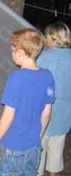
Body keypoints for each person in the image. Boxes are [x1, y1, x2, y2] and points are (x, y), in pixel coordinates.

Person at [0, 28, 55, 175]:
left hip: (11, 145)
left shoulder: (15, 78)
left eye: (13, 50)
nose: (11, 53)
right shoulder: (48, 76)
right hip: (33, 147)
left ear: (21, 52)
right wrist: (38, 136)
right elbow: (47, 112)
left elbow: (8, 115)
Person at [37, 21, 71, 176]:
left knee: (38, 150)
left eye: (46, 36)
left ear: (53, 38)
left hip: (42, 111)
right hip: (64, 114)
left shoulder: (43, 57)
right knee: (56, 152)